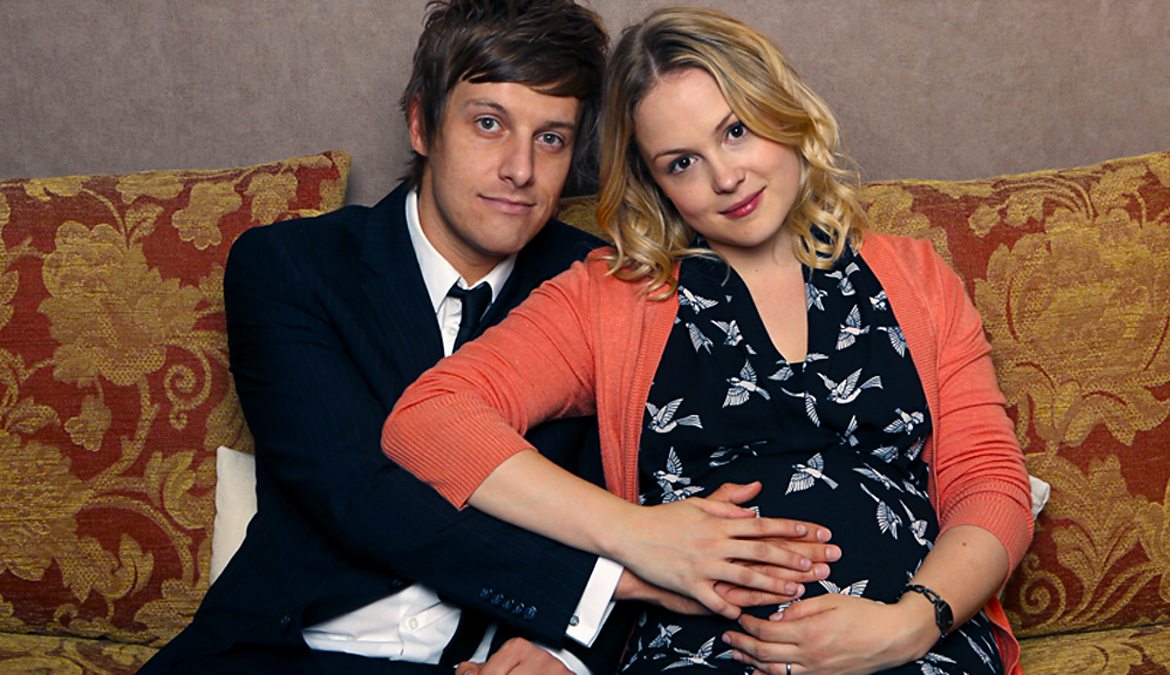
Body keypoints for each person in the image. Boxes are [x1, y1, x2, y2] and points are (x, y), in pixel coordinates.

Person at [144, 2, 835, 673]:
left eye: (551, 138)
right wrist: (609, 583)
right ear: (421, 124)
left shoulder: (609, 288)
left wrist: (569, 656)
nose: (520, 169)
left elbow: (651, 490)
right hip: (284, 650)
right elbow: (360, 493)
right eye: (488, 123)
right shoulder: (292, 266)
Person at [382, 5, 1035, 674]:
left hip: (913, 644)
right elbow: (431, 419)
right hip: (705, 654)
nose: (725, 178)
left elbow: (989, 480)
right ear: (654, 183)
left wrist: (913, 623)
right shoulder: (611, 296)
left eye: (736, 131)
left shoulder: (914, 277)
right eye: (682, 162)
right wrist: (636, 533)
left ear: (784, 112)